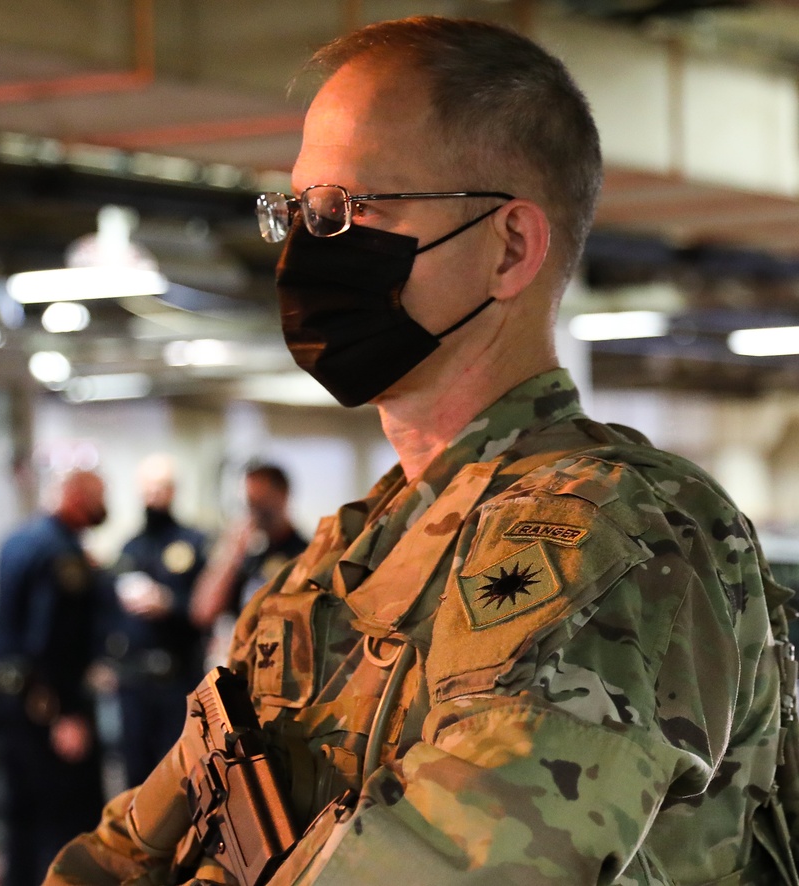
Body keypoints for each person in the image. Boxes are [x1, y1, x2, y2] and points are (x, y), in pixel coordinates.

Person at [45, 16, 799, 885]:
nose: (305, 248)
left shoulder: (602, 540)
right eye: (297, 208)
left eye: (350, 208)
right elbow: (135, 846)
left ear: (510, 247)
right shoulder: (344, 555)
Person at [0, 469, 110, 886]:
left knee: (20, 820)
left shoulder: (17, 541)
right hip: (49, 707)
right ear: (76, 498)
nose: (104, 506)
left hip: (11, 702)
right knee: (66, 823)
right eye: (98, 496)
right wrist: (67, 713)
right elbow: (51, 639)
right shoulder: (61, 554)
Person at [104, 453, 208, 788]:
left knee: (180, 776)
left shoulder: (194, 543)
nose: (152, 496)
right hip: (134, 683)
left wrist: (169, 603)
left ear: (172, 491)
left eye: (159, 488)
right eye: (147, 489)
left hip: (178, 677)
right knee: (136, 776)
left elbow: (206, 607)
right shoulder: (130, 548)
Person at [189, 461, 308, 631]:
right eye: (250, 503)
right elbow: (204, 612)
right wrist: (231, 553)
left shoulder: (306, 553)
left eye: (262, 501)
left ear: (283, 495)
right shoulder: (248, 556)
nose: (255, 513)